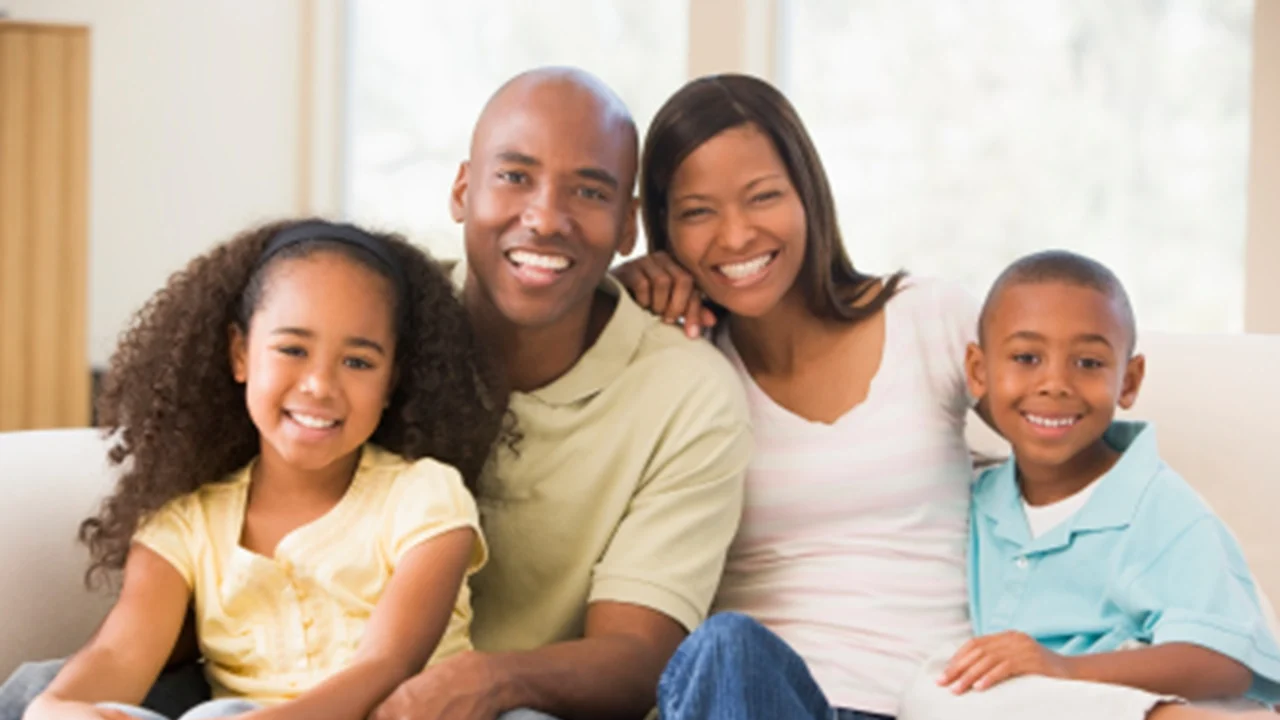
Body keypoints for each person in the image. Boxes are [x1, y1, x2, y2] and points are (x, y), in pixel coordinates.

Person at [3, 68, 752, 720]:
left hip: (501, 700)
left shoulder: (686, 392)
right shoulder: (384, 319)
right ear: (463, 189)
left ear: (628, 224)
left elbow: (637, 655)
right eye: (514, 176)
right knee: (37, 691)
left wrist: (479, 682)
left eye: (588, 191)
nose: (546, 217)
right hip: (289, 680)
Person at [23, 219, 504, 720]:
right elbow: (121, 652)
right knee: (33, 697)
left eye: (358, 362)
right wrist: (57, 706)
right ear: (240, 353)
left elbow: (387, 665)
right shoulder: (186, 522)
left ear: (391, 382)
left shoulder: (424, 494)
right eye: (293, 350)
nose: (319, 385)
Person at [614, 73, 982, 719]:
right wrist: (608, 299)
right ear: (663, 230)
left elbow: (1068, 431)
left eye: (762, 197)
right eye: (698, 212)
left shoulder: (931, 318)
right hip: (748, 698)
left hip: (927, 698)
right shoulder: (681, 371)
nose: (735, 237)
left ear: (807, 193)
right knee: (725, 648)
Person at [897, 250, 1280, 720]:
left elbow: (1226, 661)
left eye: (1089, 363)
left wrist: (1064, 668)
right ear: (978, 371)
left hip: (1132, 697)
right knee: (935, 690)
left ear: (1129, 380)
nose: (1055, 383)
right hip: (1030, 704)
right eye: (1026, 357)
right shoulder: (975, 500)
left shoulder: (1156, 505)